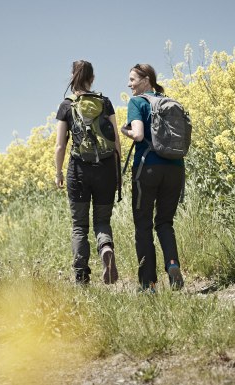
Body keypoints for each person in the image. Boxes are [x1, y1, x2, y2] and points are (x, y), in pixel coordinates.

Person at [55, 60, 121, 285]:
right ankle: (105, 248)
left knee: (79, 225)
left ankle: (82, 277)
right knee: (102, 220)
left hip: (79, 171)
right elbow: (116, 141)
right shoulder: (105, 101)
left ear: (73, 76)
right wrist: (117, 171)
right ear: (92, 78)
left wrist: (58, 173)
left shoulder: (67, 105)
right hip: (105, 170)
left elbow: (60, 146)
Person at [120, 63, 185, 291]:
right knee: (165, 222)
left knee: (143, 225)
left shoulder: (137, 102)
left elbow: (138, 135)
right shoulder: (170, 102)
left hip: (148, 168)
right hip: (175, 169)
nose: (129, 84)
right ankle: (172, 264)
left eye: (132, 79)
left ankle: (149, 284)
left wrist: (124, 131)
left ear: (146, 79)